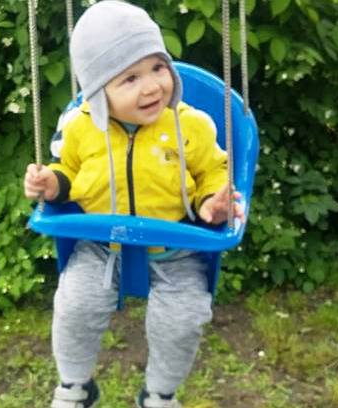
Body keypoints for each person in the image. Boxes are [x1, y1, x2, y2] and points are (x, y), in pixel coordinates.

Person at [23, 1, 244, 407]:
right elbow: (66, 170)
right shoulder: (80, 127)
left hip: (176, 247)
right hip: (100, 246)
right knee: (75, 306)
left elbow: (215, 171)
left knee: (183, 319)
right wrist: (49, 183)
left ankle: (160, 393)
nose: (152, 87)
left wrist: (213, 202)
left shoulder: (190, 124)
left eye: (158, 67)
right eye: (130, 78)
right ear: (98, 91)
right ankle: (75, 385)